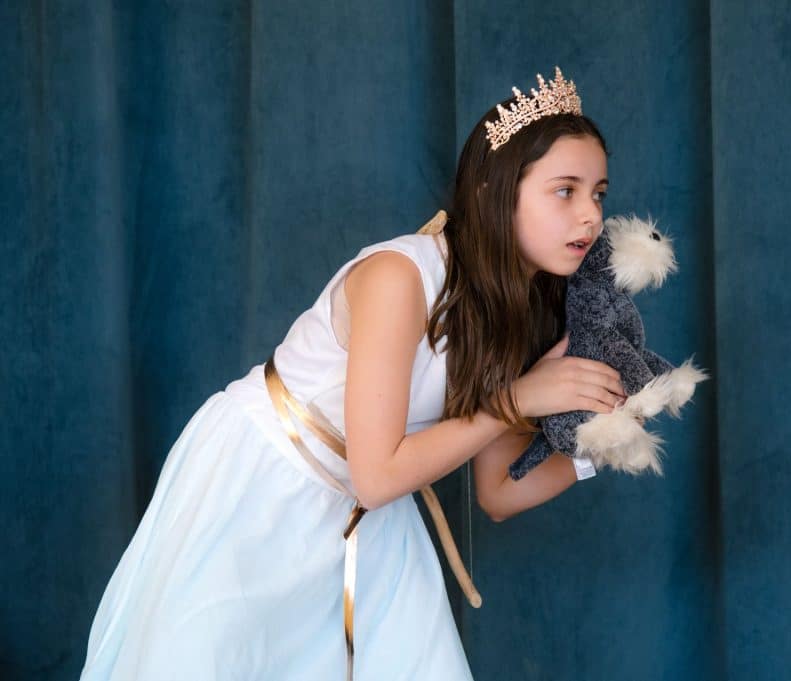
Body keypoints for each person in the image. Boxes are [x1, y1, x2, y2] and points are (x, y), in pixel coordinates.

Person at [80, 66, 624, 680]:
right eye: (565, 190)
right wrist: (517, 398)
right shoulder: (402, 276)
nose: (590, 217)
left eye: (599, 193)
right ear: (495, 192)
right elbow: (376, 473)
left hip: (369, 519)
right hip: (266, 483)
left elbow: (498, 493)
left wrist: (603, 442)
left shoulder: (516, 318)